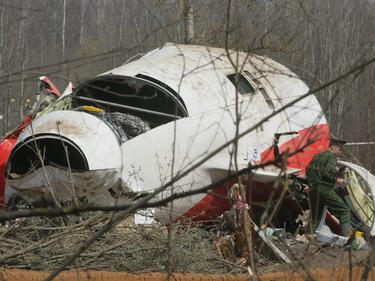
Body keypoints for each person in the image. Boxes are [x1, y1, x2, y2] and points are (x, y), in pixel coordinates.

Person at [306, 138, 352, 237]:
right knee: (344, 210)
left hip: (312, 190)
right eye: (339, 150)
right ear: (333, 148)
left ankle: (311, 239)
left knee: (316, 216)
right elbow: (327, 172)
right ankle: (348, 238)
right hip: (324, 189)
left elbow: (308, 171)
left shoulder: (317, 156)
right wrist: (337, 180)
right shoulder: (331, 157)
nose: (340, 152)